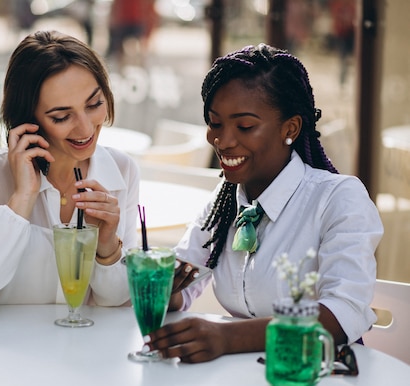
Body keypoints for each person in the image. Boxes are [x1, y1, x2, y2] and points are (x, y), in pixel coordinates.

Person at [143, 43, 383, 363]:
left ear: (291, 128)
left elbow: (342, 314)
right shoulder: (226, 201)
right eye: (215, 123)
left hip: (315, 382)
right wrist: (169, 291)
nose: (223, 141)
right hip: (244, 385)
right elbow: (182, 286)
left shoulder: (338, 200)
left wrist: (227, 338)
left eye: (245, 126)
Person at [0, 30, 139, 322]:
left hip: (86, 359)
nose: (85, 128)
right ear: (29, 121)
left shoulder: (122, 170)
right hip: (2, 360)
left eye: (94, 104)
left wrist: (107, 247)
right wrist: (21, 200)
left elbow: (115, 303)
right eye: (61, 116)